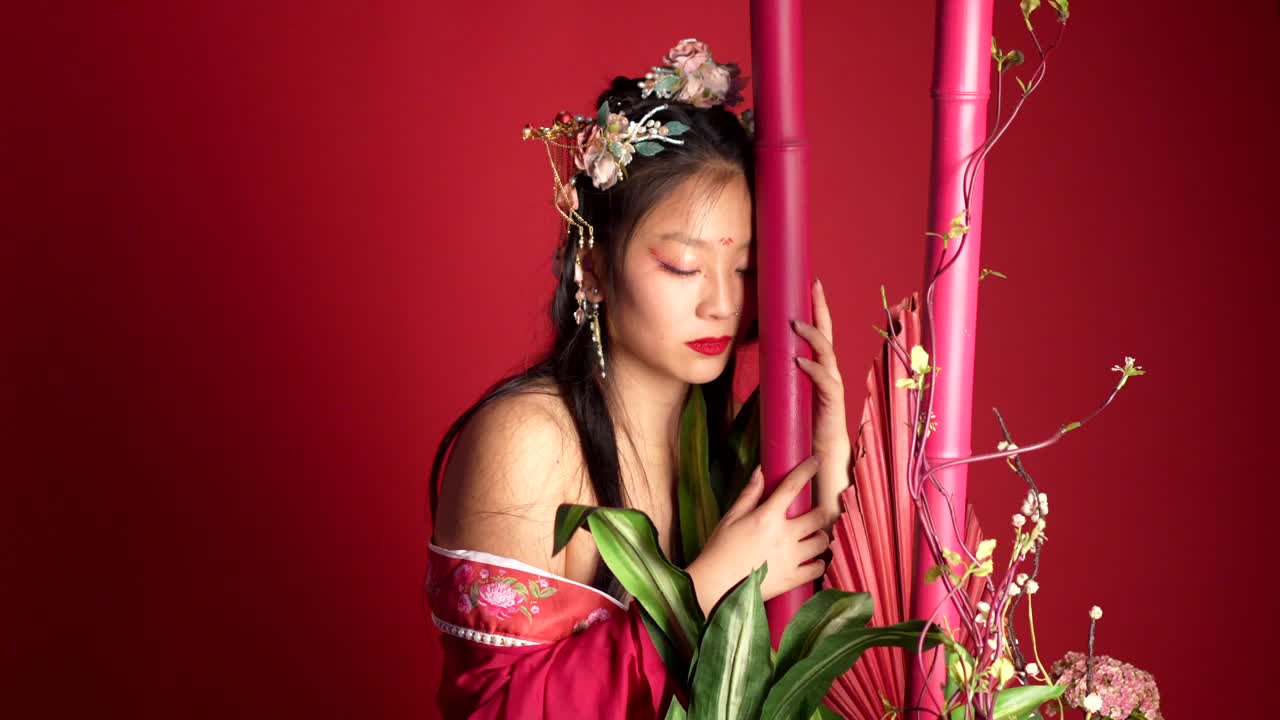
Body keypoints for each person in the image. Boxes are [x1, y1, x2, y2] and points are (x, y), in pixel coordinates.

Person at [425, 38, 853, 719]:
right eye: (683, 266)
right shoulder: (528, 441)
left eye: (744, 268)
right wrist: (707, 587)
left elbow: (816, 679)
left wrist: (829, 468)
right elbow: (497, 710)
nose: (722, 302)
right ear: (592, 266)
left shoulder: (719, 445)